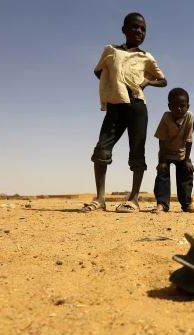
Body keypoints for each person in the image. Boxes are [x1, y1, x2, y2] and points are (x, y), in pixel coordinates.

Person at [81, 12, 167, 213]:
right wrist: (112, 87)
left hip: (137, 106)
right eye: (134, 26)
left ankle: (133, 199)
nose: (139, 31)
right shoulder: (110, 50)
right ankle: (100, 199)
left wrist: (147, 81)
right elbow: (98, 71)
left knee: (137, 152)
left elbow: (163, 80)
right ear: (124, 29)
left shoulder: (146, 57)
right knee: (101, 150)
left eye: (143, 28)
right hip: (115, 106)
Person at [152, 88, 194, 213]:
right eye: (175, 106)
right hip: (166, 152)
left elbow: (189, 140)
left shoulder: (189, 117)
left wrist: (187, 159)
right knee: (162, 175)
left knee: (186, 174)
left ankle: (187, 204)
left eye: (182, 106)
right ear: (169, 106)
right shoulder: (166, 117)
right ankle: (162, 204)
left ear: (187, 106)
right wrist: (162, 161)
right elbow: (161, 140)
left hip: (182, 152)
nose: (179, 109)